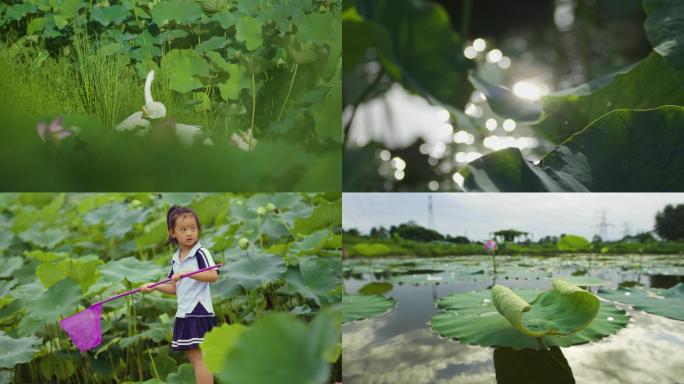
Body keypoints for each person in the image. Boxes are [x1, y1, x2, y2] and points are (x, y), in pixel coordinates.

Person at [140, 205, 219, 384]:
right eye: (183, 229)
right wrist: (154, 287)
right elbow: (175, 288)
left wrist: (188, 274)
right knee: (193, 357)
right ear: (172, 232)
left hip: (199, 312)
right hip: (185, 313)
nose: (189, 233)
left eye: (193, 228)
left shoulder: (201, 253)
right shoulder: (177, 258)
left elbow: (213, 275)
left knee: (200, 358)